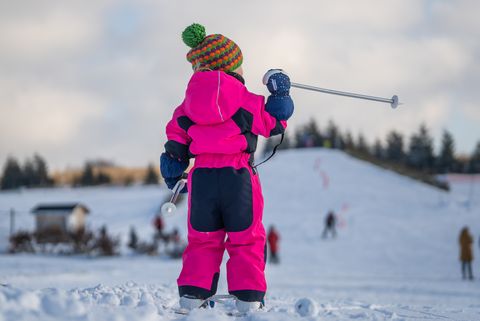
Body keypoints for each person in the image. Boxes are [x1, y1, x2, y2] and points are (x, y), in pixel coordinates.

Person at [160, 23, 294, 313]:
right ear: (232, 66)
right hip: (238, 178)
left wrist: (172, 172)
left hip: (203, 179)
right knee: (246, 238)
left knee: (202, 239)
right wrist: (280, 91)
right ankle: (248, 298)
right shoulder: (245, 100)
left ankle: (192, 296)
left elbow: (175, 143)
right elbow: (275, 121)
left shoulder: (187, 105)